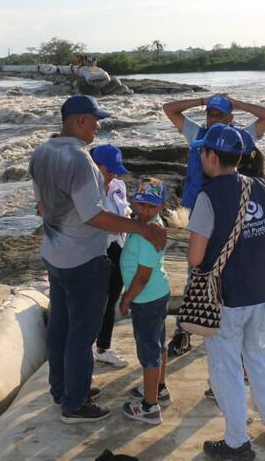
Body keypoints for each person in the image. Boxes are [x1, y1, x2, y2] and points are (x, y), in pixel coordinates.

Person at [29, 95, 166, 424]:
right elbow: (93, 216)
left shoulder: (41, 152)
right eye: (94, 119)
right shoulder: (80, 160)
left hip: (54, 256)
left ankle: (62, 389)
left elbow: (42, 207)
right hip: (82, 260)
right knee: (82, 333)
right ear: (79, 121)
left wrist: (61, 235)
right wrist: (141, 229)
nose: (98, 125)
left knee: (60, 328)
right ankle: (74, 404)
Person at [186, 124, 265, 459]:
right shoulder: (261, 189)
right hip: (259, 293)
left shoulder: (208, 198)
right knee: (259, 358)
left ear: (210, 156)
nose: (200, 157)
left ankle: (237, 442)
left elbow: (196, 257)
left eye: (202, 152)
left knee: (226, 369)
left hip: (226, 299)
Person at [162, 94, 265, 356]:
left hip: (229, 209)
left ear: (230, 118)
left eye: (218, 114)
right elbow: (169, 109)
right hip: (200, 209)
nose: (212, 117)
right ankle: (186, 328)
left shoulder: (241, 138)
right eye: (210, 113)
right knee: (197, 269)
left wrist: (238, 102)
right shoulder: (199, 135)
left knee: (221, 264)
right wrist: (202, 100)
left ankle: (221, 320)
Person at [119, 177, 172, 425]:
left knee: (149, 352)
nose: (144, 210)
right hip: (156, 295)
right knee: (159, 343)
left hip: (146, 299)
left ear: (161, 206)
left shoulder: (150, 234)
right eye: (140, 204)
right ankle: (159, 388)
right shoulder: (144, 225)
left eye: (150, 206)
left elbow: (142, 277)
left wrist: (126, 299)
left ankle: (150, 407)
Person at [91, 144, 132, 368]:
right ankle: (86, 346)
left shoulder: (118, 186)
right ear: (97, 166)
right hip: (95, 249)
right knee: (94, 301)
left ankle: (103, 347)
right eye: (110, 170)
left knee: (112, 298)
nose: (113, 174)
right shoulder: (86, 188)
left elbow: (124, 210)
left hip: (117, 247)